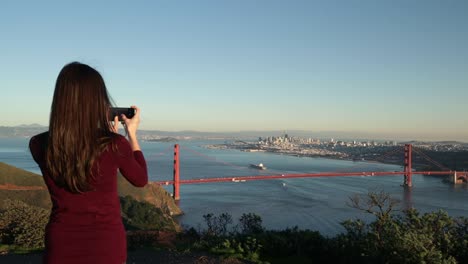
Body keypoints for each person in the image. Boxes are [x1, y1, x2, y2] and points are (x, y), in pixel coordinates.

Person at [29, 62, 148, 264]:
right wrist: (131, 136)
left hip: (60, 246)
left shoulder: (37, 144)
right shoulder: (115, 145)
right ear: (98, 100)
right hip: (106, 246)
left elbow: (77, 151)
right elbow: (140, 179)